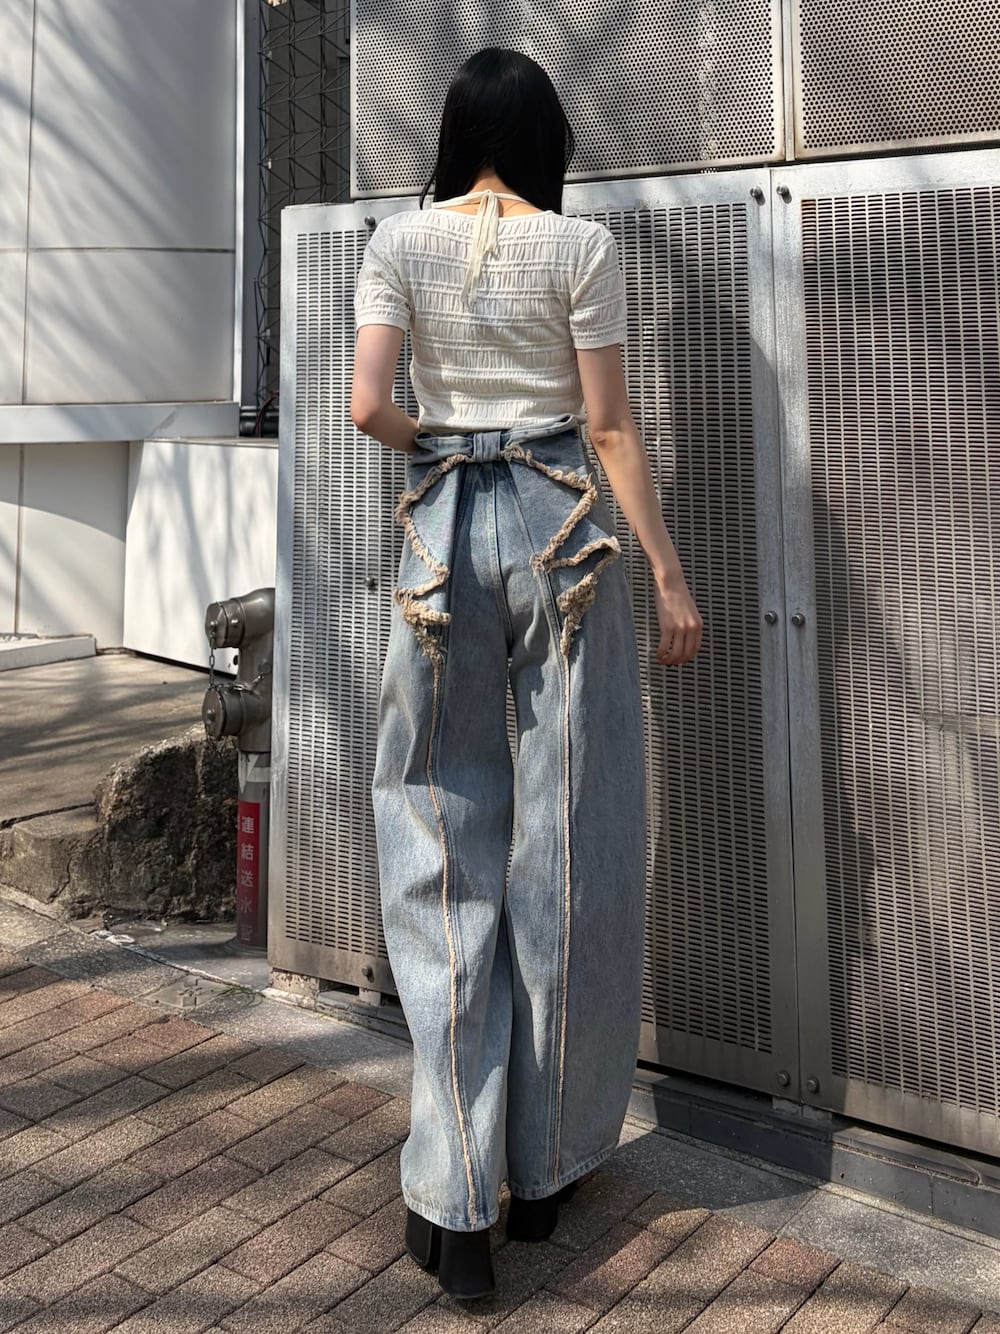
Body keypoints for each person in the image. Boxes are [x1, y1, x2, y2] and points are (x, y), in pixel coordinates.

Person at [351, 47, 702, 1301]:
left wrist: (443, 443)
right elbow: (609, 426)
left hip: (440, 533)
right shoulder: (578, 247)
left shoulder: (397, 241)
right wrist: (667, 573)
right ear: (545, 140)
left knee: (439, 841)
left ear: (454, 135)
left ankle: (453, 1202)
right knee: (572, 836)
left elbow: (366, 405)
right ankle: (545, 1169)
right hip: (564, 535)